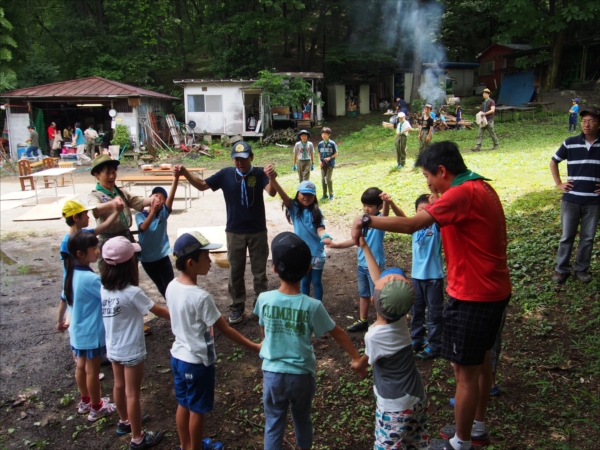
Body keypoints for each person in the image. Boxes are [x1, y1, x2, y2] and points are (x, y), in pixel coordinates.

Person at [350, 141, 511, 450]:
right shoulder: (479, 186)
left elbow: (413, 225)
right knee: (479, 362)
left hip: (475, 296)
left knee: (465, 372)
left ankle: (461, 443)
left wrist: (366, 220)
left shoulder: (463, 194)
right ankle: (475, 428)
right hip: (491, 290)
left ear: (442, 171)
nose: (427, 184)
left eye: (428, 176)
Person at [253, 231, 364, 450]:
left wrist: (269, 343)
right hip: (302, 376)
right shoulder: (313, 306)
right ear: (307, 269)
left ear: (274, 268)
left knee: (274, 423)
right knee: (302, 419)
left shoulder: (264, 299)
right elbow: (338, 332)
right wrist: (356, 358)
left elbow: (263, 330)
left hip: (273, 374)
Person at [166, 232, 261, 450]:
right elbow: (225, 329)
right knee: (197, 410)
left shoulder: (171, 286)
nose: (210, 260)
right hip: (197, 362)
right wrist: (254, 346)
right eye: (206, 257)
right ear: (191, 263)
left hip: (178, 358)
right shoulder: (200, 297)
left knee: (183, 404)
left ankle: (186, 445)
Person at [174, 142, 276, 324]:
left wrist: (272, 178)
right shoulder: (225, 174)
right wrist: (185, 173)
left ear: (251, 157)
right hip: (234, 231)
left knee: (259, 272)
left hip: (257, 231)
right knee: (235, 271)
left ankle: (261, 307)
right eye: (236, 159)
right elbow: (202, 185)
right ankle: (237, 307)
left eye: (243, 158)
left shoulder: (259, 173)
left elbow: (272, 192)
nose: (239, 162)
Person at [350, 236, 429, 450]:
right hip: (417, 396)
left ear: (373, 301)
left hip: (395, 406)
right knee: (415, 442)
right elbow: (379, 283)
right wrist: (365, 246)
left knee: (386, 446)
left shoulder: (374, 336)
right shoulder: (402, 319)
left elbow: (364, 364)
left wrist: (357, 365)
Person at [100, 237, 170, 449]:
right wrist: (181, 316)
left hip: (113, 347)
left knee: (119, 386)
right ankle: (138, 437)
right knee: (133, 393)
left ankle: (124, 422)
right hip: (131, 350)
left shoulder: (104, 289)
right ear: (130, 264)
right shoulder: (132, 292)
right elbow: (158, 311)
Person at [63, 231, 117, 422]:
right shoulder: (90, 279)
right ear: (80, 253)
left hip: (78, 332)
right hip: (91, 333)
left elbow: (67, 300)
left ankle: (86, 400)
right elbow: (108, 296)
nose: (97, 251)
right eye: (93, 248)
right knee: (92, 371)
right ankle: (97, 407)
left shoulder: (72, 274)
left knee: (81, 367)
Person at [326, 188, 392, 331]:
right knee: (364, 294)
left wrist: (386, 203)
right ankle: (363, 320)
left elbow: (385, 216)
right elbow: (355, 240)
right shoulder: (363, 221)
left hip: (375, 266)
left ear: (379, 207)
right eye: (364, 205)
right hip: (362, 264)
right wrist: (335, 245)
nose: (366, 209)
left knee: (378, 296)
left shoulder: (380, 222)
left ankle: (381, 322)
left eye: (370, 206)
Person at [550, 105, 600, 284]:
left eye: (592, 121)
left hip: (594, 201)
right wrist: (559, 183)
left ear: (598, 123)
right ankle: (561, 269)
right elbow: (554, 162)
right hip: (571, 199)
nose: (587, 125)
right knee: (566, 237)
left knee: (587, 238)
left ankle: (581, 269)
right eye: (584, 121)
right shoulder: (570, 142)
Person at [57, 200, 120, 333]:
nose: (88, 217)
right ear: (75, 217)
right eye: (85, 214)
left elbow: (103, 226)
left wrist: (117, 212)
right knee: (77, 315)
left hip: (78, 282)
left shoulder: (84, 234)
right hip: (75, 284)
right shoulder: (67, 242)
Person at [265, 176, 332, 301]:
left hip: (317, 253)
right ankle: (305, 305)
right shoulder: (294, 208)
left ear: (314, 196)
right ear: (298, 194)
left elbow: (320, 229)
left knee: (317, 281)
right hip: (302, 254)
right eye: (303, 194)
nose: (306, 197)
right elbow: (283, 195)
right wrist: (273, 180)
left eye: (310, 195)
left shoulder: (318, 211)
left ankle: (319, 305)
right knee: (305, 281)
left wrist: (324, 236)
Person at [88, 155, 153, 270]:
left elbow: (139, 201)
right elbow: (96, 208)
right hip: (108, 242)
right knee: (111, 279)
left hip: (126, 238)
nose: (112, 176)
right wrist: (113, 204)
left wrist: (155, 199)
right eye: (107, 173)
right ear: (96, 175)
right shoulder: (94, 195)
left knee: (130, 274)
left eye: (114, 172)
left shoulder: (121, 192)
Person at [409, 194, 445, 360]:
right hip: (416, 277)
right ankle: (417, 339)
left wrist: (436, 198)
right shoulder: (414, 229)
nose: (424, 214)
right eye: (420, 210)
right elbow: (403, 219)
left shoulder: (436, 229)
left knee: (433, 314)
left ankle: (435, 345)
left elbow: (441, 215)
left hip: (433, 279)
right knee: (416, 311)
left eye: (428, 210)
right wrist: (391, 202)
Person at [135, 178, 179, 298]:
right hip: (147, 259)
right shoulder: (140, 215)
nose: (158, 198)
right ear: (149, 198)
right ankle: (172, 309)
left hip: (162, 256)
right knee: (161, 286)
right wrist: (152, 212)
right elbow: (143, 227)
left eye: (162, 197)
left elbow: (172, 195)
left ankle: (175, 309)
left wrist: (176, 178)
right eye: (155, 195)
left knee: (170, 286)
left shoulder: (164, 213)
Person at [317, 127, 338, 200]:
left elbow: (336, 153)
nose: (323, 135)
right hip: (323, 164)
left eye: (325, 134)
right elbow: (319, 153)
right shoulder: (320, 144)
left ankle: (331, 194)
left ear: (329, 134)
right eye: (322, 133)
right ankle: (324, 194)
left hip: (330, 163)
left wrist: (330, 158)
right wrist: (319, 161)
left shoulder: (332, 143)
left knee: (328, 179)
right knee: (323, 179)